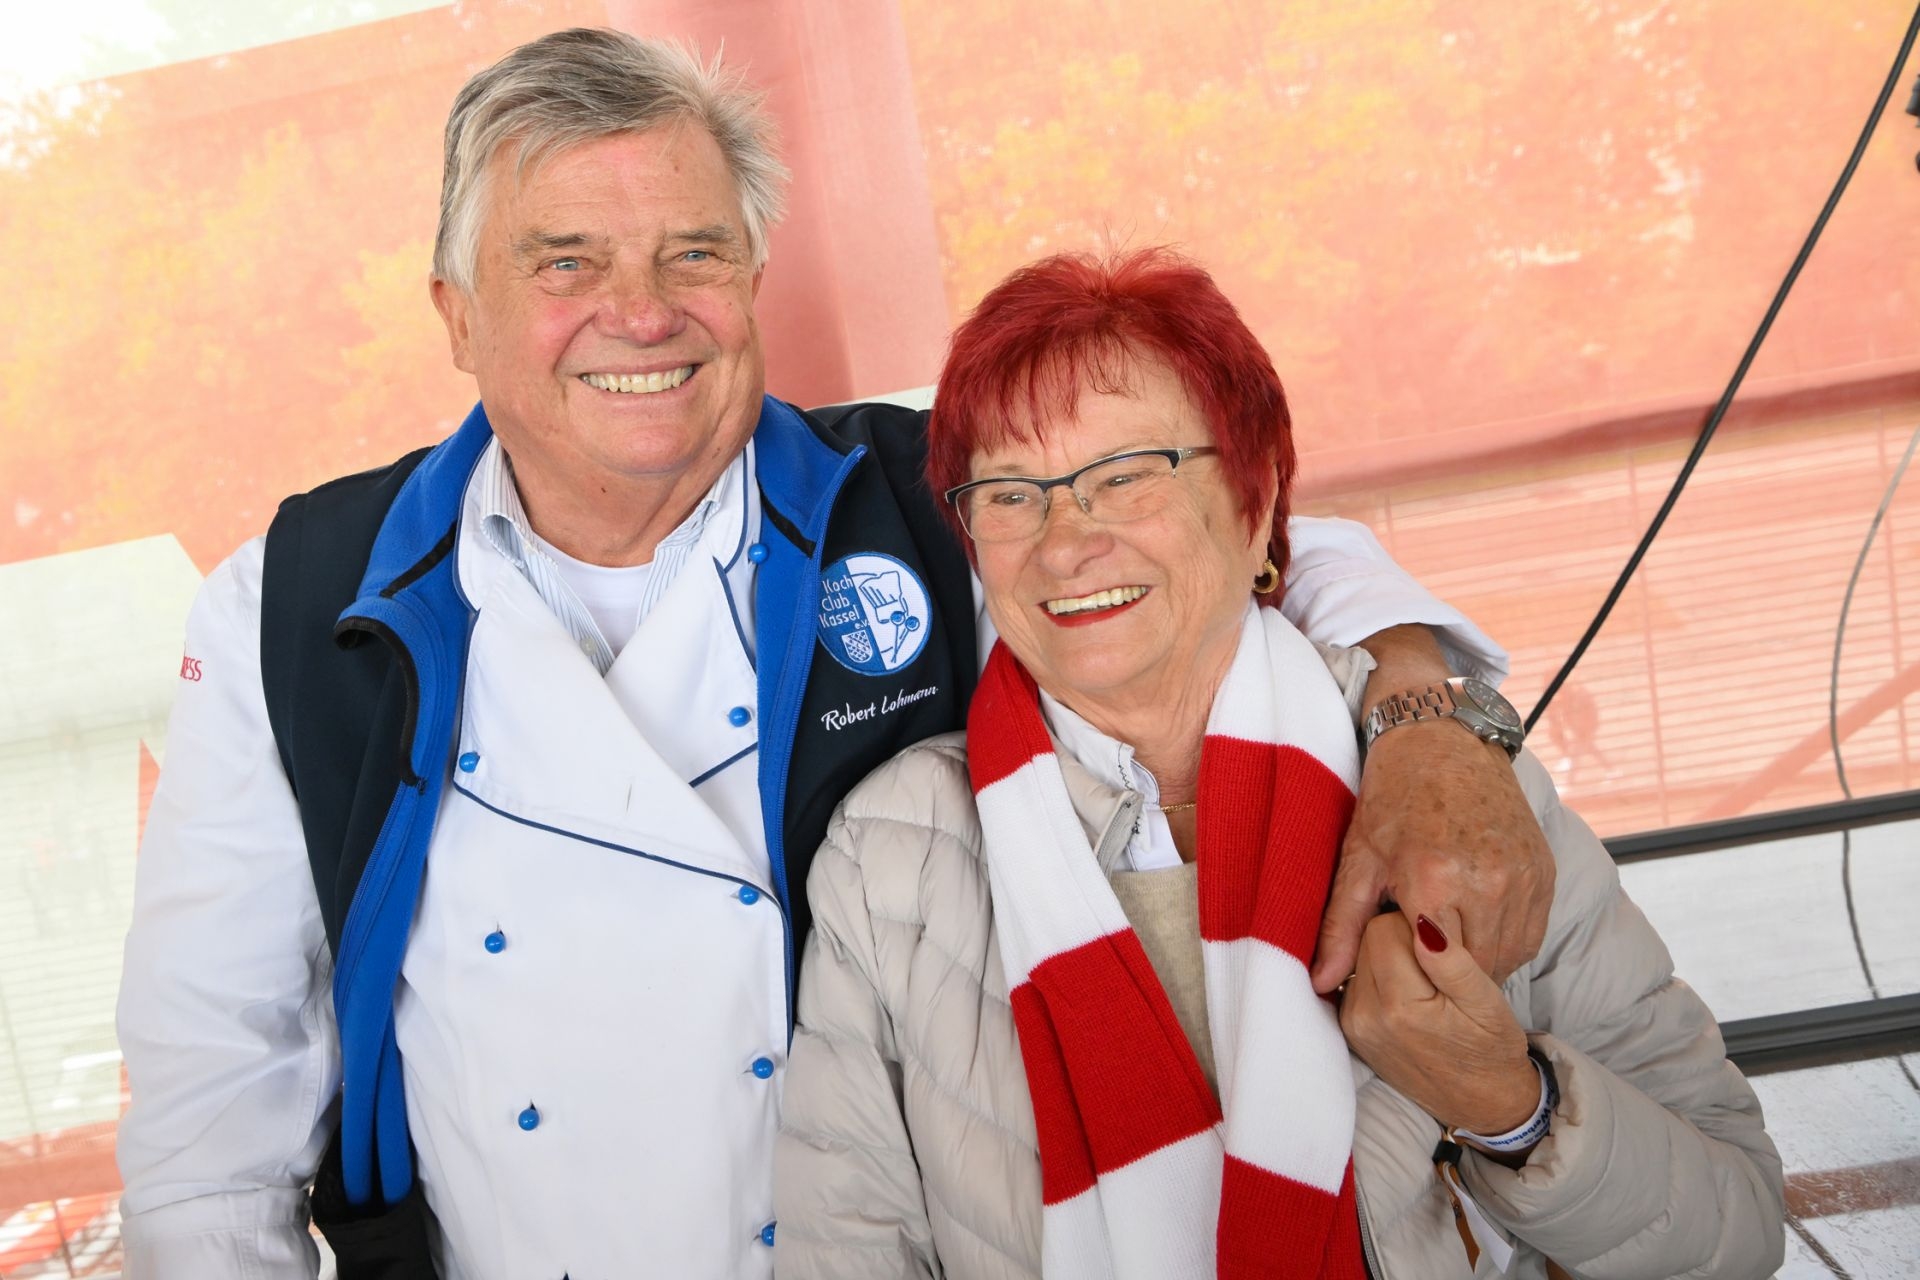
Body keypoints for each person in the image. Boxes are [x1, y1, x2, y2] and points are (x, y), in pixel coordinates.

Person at [114, 30, 1551, 1280]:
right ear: (456, 313)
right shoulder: (294, 600)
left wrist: (1424, 714)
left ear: (753, 277)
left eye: (695, 251)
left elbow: (1219, 536)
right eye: (567, 262)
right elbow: (213, 1095)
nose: (643, 310)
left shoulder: (913, 496)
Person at [774, 249, 1785, 1279]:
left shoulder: (1442, 791)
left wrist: (1508, 1106)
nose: (1065, 542)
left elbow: (1737, 1229)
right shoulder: (889, 853)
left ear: (1256, 505)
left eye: (1127, 475)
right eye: (1009, 494)